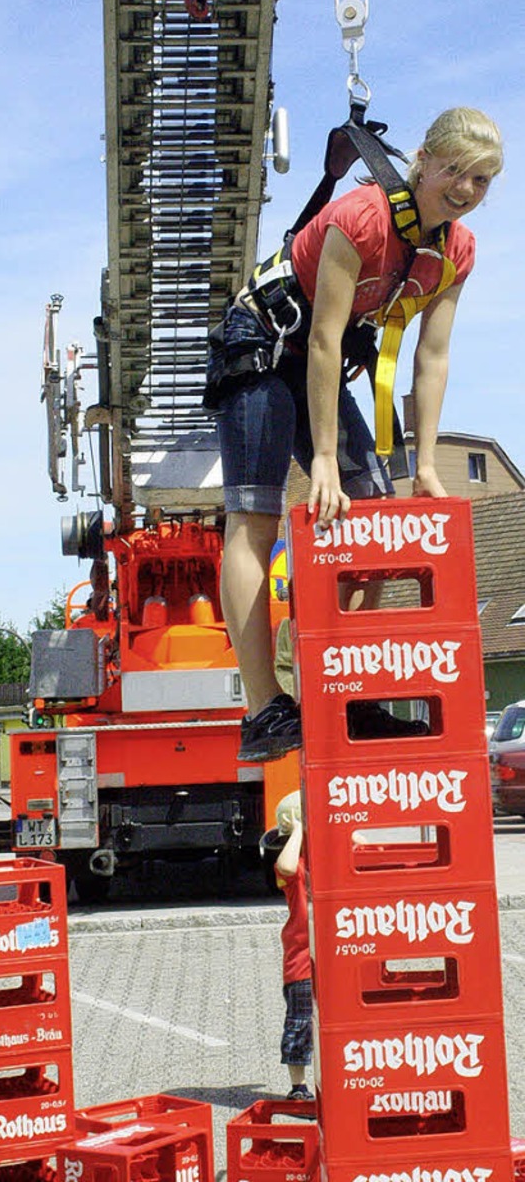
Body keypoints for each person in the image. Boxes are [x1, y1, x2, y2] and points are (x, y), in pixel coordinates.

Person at [207, 106, 503, 762]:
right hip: (261, 342)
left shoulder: (456, 251)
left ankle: (341, 690)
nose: (464, 188)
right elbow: (321, 339)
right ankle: (265, 710)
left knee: (370, 521)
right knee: (254, 514)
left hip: (314, 356)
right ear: (422, 159)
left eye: (481, 180)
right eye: (454, 169)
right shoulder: (361, 218)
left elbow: (431, 356)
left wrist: (425, 464)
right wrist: (320, 462)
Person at [270, 790, 314, 1101]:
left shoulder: (326, 858)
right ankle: (298, 1087)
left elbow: (361, 847)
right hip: (301, 960)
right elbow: (285, 866)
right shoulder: (294, 865)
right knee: (300, 1022)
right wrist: (299, 827)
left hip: (334, 957)